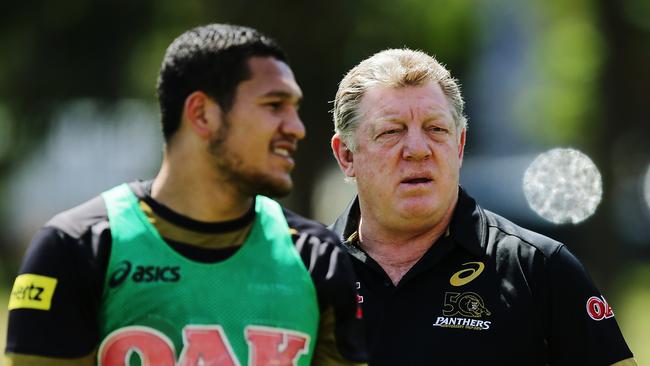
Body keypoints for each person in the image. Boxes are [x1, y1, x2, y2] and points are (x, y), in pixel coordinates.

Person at [5, 24, 366, 366]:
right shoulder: (77, 247)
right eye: (274, 105)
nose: (297, 128)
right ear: (202, 114)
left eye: (295, 109)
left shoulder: (319, 257)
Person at [329, 48, 636, 365]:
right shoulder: (304, 272)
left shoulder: (540, 269)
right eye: (391, 131)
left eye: (436, 129)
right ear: (347, 156)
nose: (418, 150)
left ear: (459, 145)